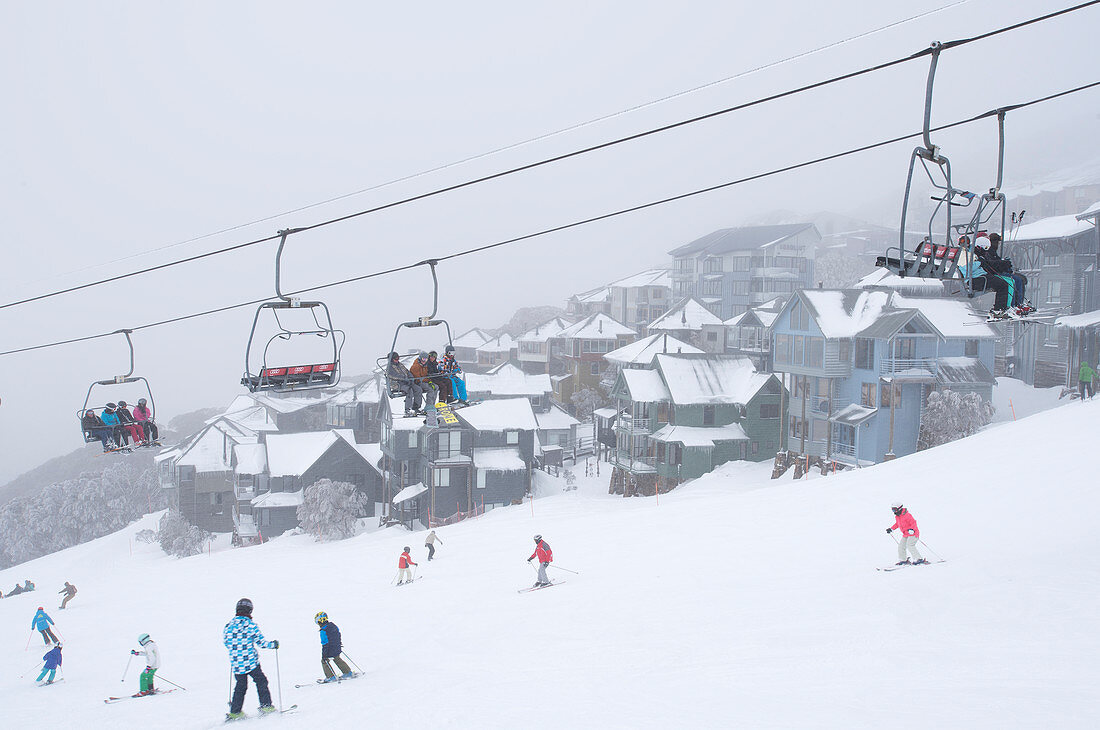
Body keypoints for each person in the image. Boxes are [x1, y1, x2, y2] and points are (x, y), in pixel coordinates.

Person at [223, 597, 279, 720]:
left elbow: (226, 642)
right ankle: (266, 706)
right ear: (250, 611)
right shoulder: (250, 625)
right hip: (251, 663)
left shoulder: (228, 626)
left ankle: (235, 712)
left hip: (237, 664)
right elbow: (261, 643)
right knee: (261, 681)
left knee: (240, 686)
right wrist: (273, 645)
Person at [977, 233, 1032, 314]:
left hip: (996, 272)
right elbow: (990, 264)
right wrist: (1003, 263)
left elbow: (994, 262)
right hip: (993, 273)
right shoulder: (985, 251)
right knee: (1012, 281)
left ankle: (1018, 304)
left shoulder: (989, 251)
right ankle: (1011, 305)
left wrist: (1004, 264)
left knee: (1019, 280)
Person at [959, 236, 1011, 318]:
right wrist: (979, 262)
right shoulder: (963, 254)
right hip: (975, 280)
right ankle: (999, 310)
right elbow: (967, 268)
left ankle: (1002, 308)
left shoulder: (971, 253)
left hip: (980, 276)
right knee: (1003, 285)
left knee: (1003, 282)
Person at [314, 612, 353, 682]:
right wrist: (339, 644)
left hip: (330, 649)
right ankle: (348, 672)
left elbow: (325, 643)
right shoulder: (333, 625)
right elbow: (338, 634)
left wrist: (324, 654)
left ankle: (330, 677)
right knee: (337, 658)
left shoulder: (323, 631)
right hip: (337, 646)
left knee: (324, 661)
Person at [387, 351, 424, 417]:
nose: (397, 360)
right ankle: (408, 409)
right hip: (397, 384)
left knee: (418, 389)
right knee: (409, 390)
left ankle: (416, 407)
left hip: (406, 382)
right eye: (396, 359)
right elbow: (395, 376)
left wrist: (411, 377)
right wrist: (404, 378)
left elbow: (407, 371)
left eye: (398, 358)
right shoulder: (390, 367)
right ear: (392, 359)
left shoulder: (400, 365)